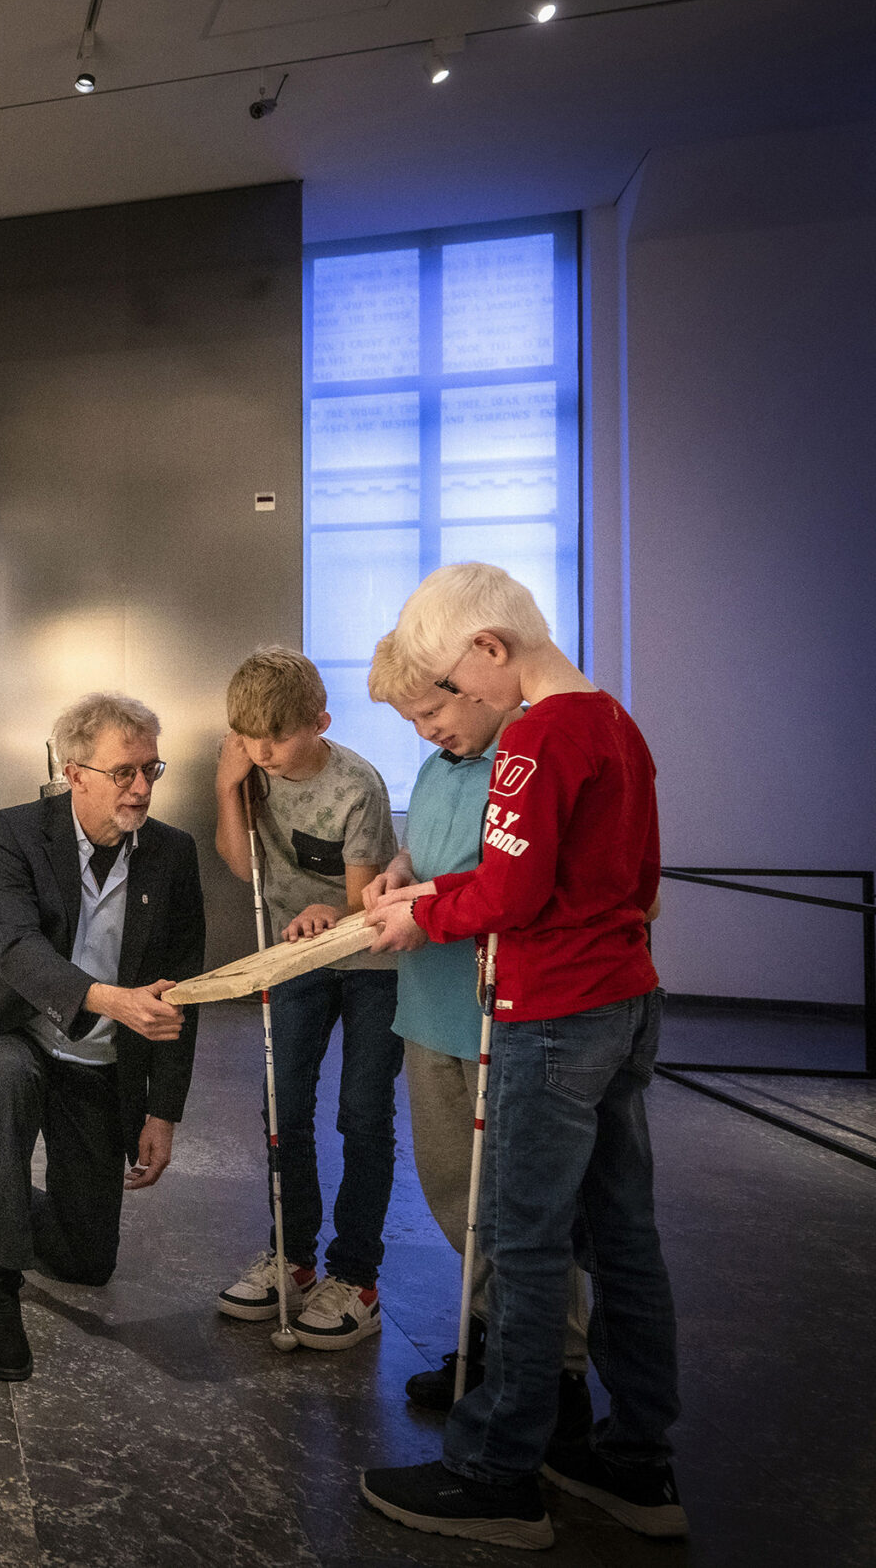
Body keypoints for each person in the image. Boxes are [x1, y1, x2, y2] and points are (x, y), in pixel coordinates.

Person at [359, 565, 683, 1549]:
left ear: (489, 651)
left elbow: (509, 894)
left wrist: (420, 916)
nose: (462, 703)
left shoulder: (535, 737)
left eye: (454, 679)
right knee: (621, 1237)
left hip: (548, 1009)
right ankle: (635, 1461)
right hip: (625, 999)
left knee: (522, 1237)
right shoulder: (616, 724)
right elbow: (638, 878)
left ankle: (497, 1472)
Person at [0, 692, 206, 1384]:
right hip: (18, 1030)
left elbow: (184, 988)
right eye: (124, 771)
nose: (142, 786)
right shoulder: (14, 831)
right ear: (76, 772)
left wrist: (163, 1110)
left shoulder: (171, 854)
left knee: (87, 1260)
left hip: (100, 1060)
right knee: (9, 1080)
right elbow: (18, 948)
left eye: (152, 768)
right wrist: (110, 999)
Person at [363, 634, 592, 1434]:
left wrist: (426, 900)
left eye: (432, 709)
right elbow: (428, 853)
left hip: (502, 1013)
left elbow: (506, 885)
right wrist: (397, 870)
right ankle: (491, 1339)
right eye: (412, 720)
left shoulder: (523, 763)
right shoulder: (435, 769)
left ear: (474, 683)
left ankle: (553, 1366)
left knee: (519, 1206)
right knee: (455, 1191)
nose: (425, 730)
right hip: (429, 1007)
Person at [209, 648, 401, 1350]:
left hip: (368, 956)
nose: (263, 752)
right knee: (283, 1104)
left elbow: (362, 903)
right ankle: (291, 1258)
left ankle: (357, 1274)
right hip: (295, 955)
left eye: (278, 739)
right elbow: (241, 864)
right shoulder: (252, 769)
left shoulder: (359, 786)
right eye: (249, 740)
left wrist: (327, 909)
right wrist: (229, 787)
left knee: (361, 1111)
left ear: (319, 722)